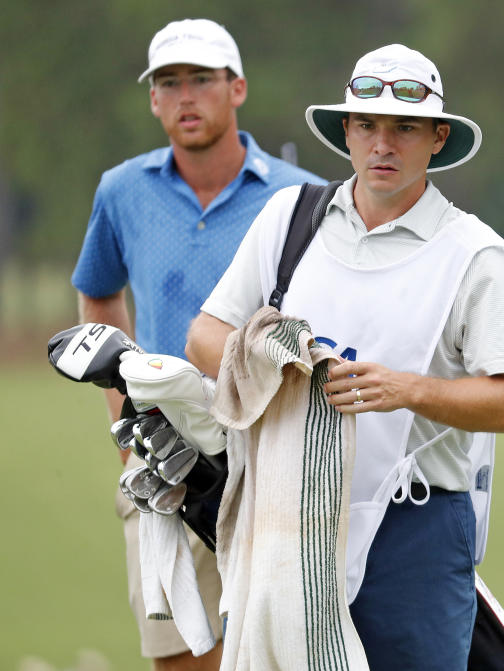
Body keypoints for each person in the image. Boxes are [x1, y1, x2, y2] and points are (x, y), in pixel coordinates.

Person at [184, 44, 504, 671]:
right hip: (286, 508)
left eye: (404, 127)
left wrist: (404, 390)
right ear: (346, 131)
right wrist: (281, 359)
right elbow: (206, 335)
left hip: (417, 527)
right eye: (367, 125)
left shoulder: (474, 254)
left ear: (437, 138)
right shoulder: (289, 219)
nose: (383, 144)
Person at [71, 18, 323, 670]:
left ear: (236, 88)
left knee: (281, 651)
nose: (186, 96)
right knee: (182, 655)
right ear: (153, 99)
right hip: (165, 463)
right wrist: (126, 422)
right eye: (170, 83)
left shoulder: (300, 195)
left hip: (273, 457)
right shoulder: (122, 190)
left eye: (202, 80)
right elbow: (99, 295)